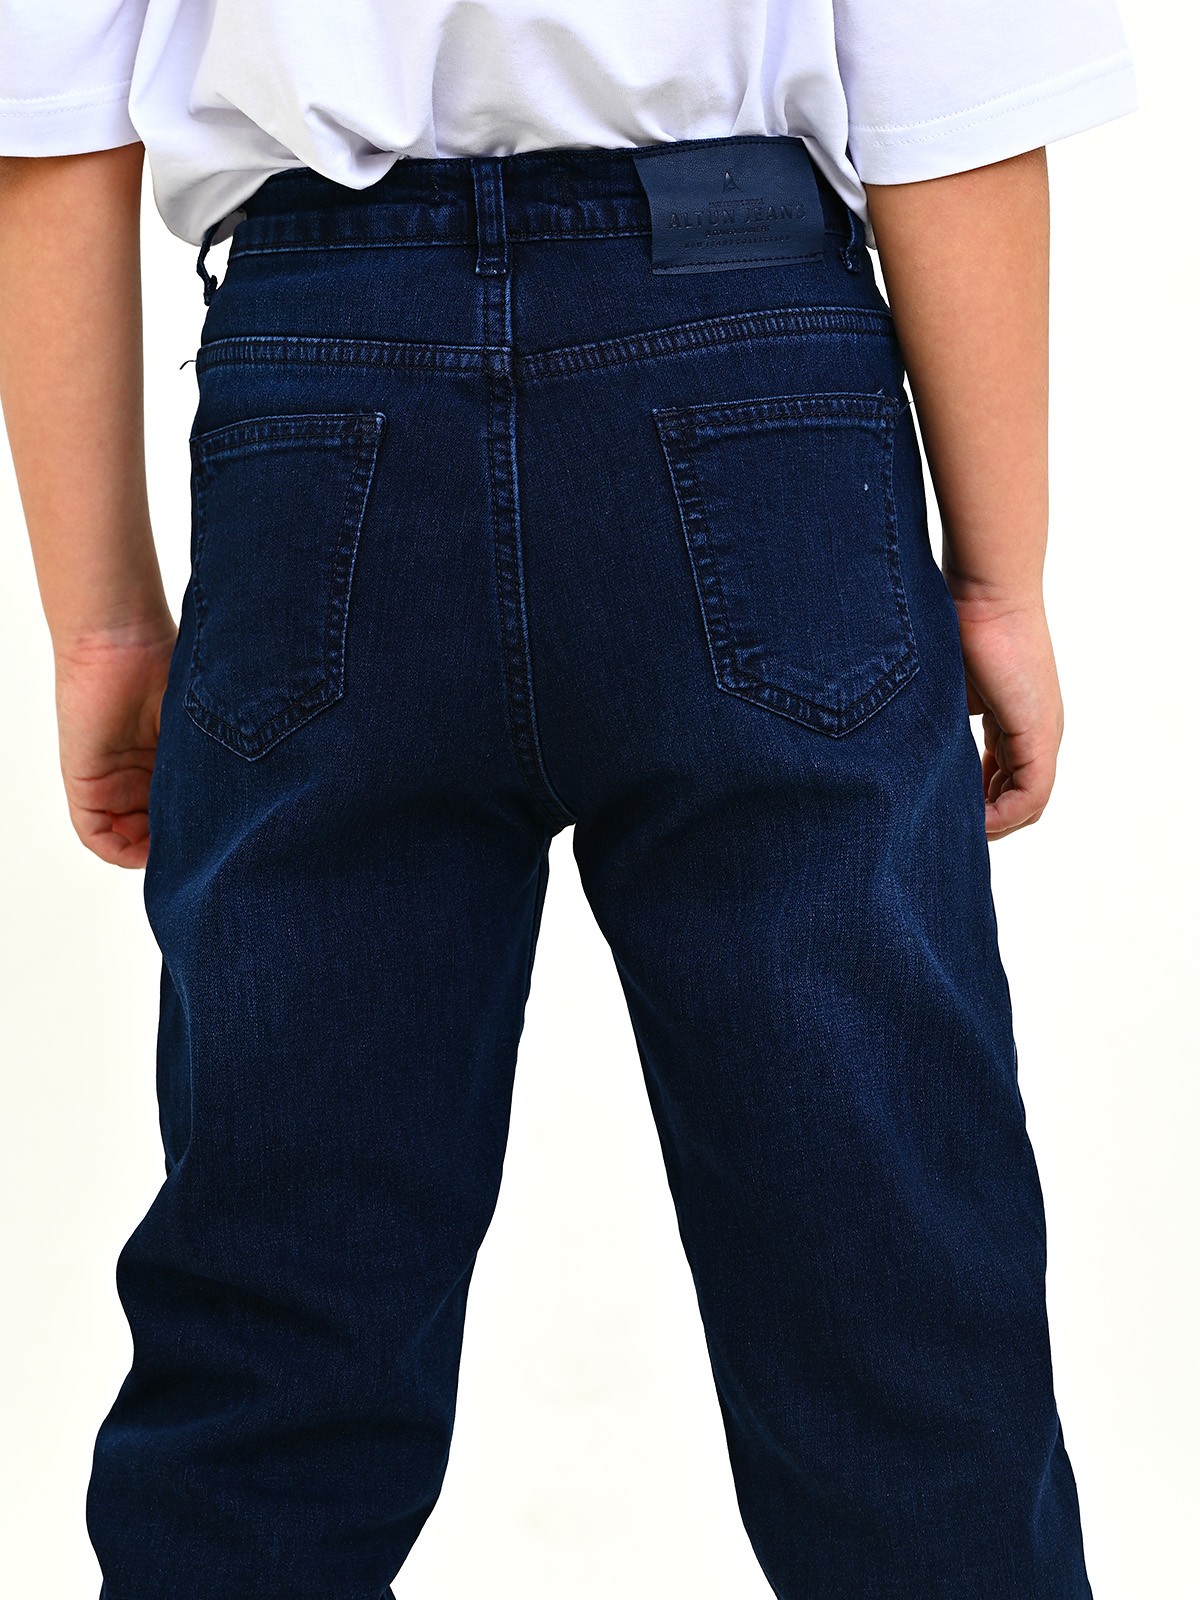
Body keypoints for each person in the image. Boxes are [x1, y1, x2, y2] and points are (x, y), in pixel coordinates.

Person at [0, 3, 1138, 1597]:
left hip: (323, 384)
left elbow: (39, 108)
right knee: (887, 1280)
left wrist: (105, 623)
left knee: (276, 1310)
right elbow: (953, 80)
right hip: (752, 369)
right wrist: (1000, 580)